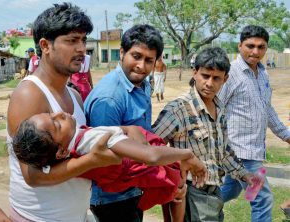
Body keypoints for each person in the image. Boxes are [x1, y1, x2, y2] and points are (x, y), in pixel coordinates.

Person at [7, 3, 123, 221]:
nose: (81, 48)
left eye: (83, 40)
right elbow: (32, 175)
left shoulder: (74, 95)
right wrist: (92, 160)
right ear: (45, 45)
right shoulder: (30, 94)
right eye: (71, 40)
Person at [84, 24, 189, 222]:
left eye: (149, 60)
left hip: (132, 187)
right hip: (112, 195)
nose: (141, 65)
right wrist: (163, 174)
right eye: (136, 56)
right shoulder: (110, 99)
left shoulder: (140, 83)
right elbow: (106, 159)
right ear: (122, 52)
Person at [13, 111, 208, 211]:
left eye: (50, 113)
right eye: (57, 124)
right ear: (61, 151)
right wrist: (187, 154)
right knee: (179, 189)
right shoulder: (92, 141)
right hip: (156, 165)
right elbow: (152, 156)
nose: (59, 114)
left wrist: (133, 132)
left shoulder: (71, 151)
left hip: (142, 173)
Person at [152, 47, 259, 222]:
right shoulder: (178, 110)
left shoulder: (220, 108)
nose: (209, 83)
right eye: (205, 76)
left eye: (216, 78)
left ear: (225, 79)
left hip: (215, 192)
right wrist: (176, 168)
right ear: (195, 73)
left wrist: (244, 174)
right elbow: (151, 147)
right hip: (191, 191)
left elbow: (222, 151)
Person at [218, 25, 290, 222]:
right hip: (238, 150)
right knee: (262, 198)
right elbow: (214, 107)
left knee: (227, 192)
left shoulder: (263, 74)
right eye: (250, 46)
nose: (255, 51)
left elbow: (267, 109)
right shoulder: (230, 74)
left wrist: (286, 134)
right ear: (240, 45)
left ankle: (196, 208)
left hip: (254, 149)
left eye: (261, 47)